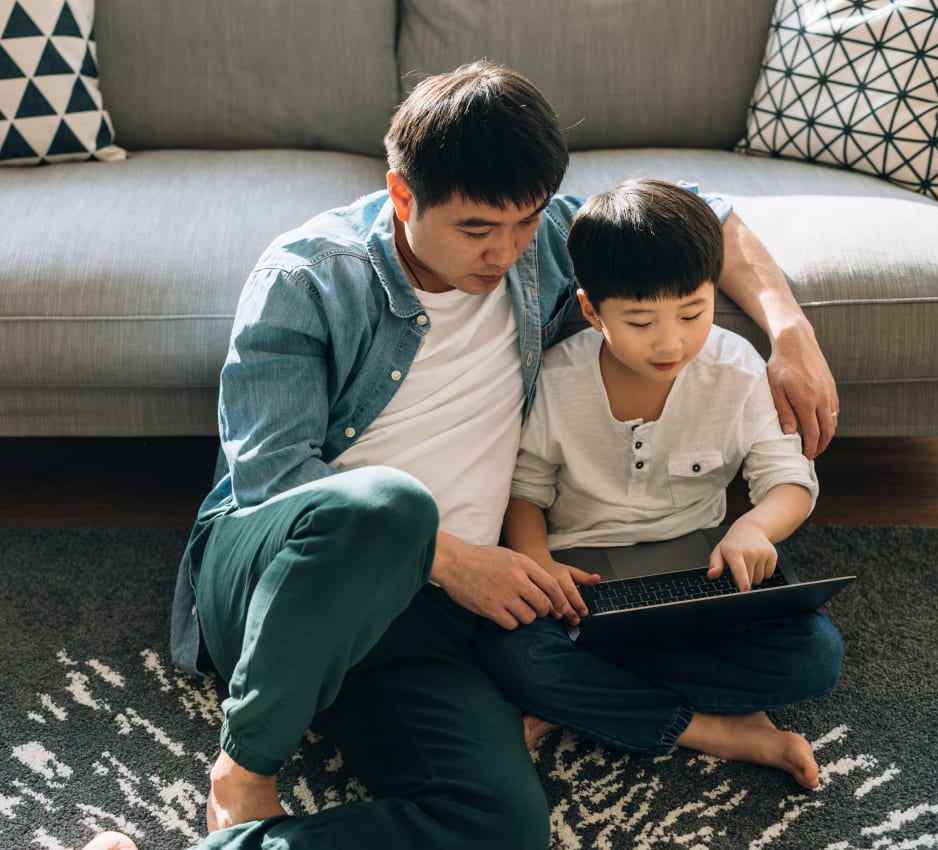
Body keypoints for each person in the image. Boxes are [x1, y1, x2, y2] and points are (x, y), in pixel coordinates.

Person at [150, 61, 838, 850]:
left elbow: (709, 220)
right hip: (289, 575)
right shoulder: (309, 277)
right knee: (391, 507)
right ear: (403, 194)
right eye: (477, 230)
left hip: (436, 616)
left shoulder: (540, 241)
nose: (508, 252)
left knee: (504, 828)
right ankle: (248, 764)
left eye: (526, 222)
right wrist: (452, 560)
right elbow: (270, 479)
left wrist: (790, 334)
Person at [476, 179, 844, 790]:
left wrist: (754, 527)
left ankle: (577, 697)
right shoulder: (559, 379)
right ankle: (717, 729)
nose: (670, 341)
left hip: (696, 580)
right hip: (576, 582)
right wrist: (538, 562)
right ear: (593, 312)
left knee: (814, 656)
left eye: (693, 313)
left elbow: (788, 480)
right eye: (641, 321)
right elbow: (525, 490)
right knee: (507, 648)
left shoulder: (738, 371)